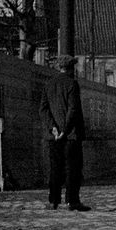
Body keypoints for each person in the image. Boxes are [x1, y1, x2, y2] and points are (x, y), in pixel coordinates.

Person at [39, 55, 90, 211]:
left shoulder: (48, 84)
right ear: (71, 68)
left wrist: (52, 128)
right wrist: (64, 130)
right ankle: (72, 201)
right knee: (72, 169)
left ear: (58, 67)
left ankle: (53, 201)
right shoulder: (72, 84)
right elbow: (73, 110)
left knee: (55, 168)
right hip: (70, 136)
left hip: (53, 137)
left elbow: (43, 109)